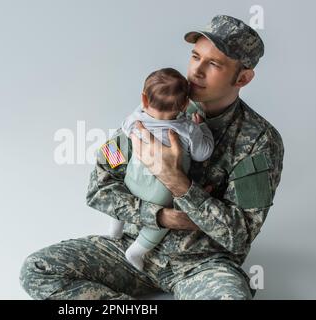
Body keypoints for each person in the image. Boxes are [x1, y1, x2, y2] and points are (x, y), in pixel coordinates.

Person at [20, 15, 284, 300]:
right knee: (37, 270)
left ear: (243, 77)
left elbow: (238, 234)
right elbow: (99, 186)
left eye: (214, 64)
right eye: (195, 57)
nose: (196, 71)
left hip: (201, 265)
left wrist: (178, 182)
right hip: (129, 249)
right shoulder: (157, 106)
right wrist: (160, 216)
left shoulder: (259, 140)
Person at [106, 67, 214, 271]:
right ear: (184, 104)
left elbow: (118, 139)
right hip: (161, 191)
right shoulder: (187, 128)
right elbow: (203, 153)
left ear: (144, 100)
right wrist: (203, 128)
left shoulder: (134, 120)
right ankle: (135, 252)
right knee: (160, 223)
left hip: (132, 178)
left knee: (123, 198)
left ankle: (114, 230)